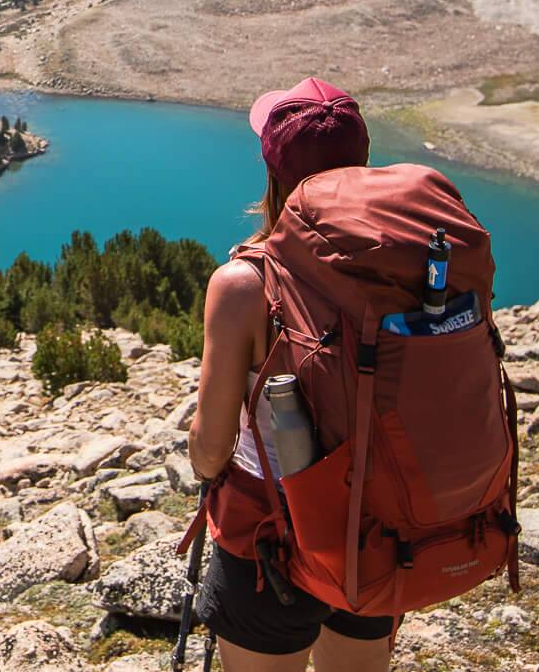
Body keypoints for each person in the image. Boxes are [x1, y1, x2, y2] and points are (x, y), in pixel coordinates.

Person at [187, 79, 392, 672]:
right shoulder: (399, 266)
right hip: (374, 527)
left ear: (274, 176)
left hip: (268, 543)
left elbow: (210, 449)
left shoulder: (245, 285)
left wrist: (202, 462)